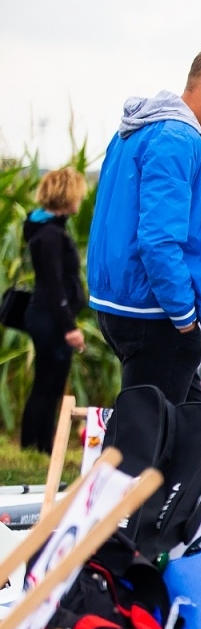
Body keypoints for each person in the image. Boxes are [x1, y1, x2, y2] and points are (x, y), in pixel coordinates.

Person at [87, 41, 201, 405]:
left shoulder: (139, 131)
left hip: (124, 302)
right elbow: (158, 241)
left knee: (195, 421)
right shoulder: (177, 140)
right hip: (154, 311)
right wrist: (184, 317)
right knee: (145, 436)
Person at [19, 168, 88, 453]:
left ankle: (37, 446)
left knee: (47, 383)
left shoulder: (46, 229)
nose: (80, 200)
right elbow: (54, 284)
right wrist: (69, 328)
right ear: (67, 195)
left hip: (48, 317)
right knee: (49, 384)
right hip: (51, 319)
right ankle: (38, 446)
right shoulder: (49, 235)